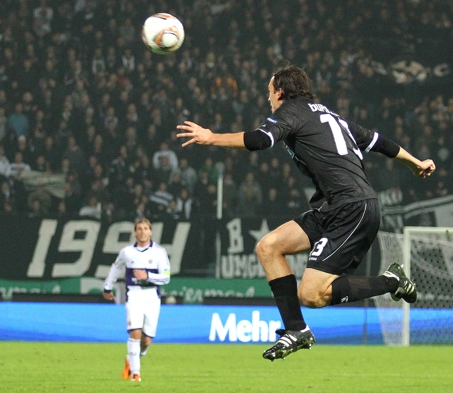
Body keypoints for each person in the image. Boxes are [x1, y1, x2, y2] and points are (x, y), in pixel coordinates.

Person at [177, 65, 436, 361]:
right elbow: (379, 142)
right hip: (332, 206)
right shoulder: (329, 116)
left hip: (352, 208)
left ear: (281, 92)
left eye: (269, 93)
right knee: (269, 247)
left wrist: (212, 138)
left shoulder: (290, 112)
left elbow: (261, 140)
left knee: (312, 295)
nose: (268, 100)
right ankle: (296, 330)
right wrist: (415, 162)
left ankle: (391, 281)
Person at [103, 218, 171, 381]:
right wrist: (107, 287)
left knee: (146, 341)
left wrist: (148, 276)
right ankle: (136, 373)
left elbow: (166, 277)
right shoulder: (127, 252)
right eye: (139, 229)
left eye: (146, 228)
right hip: (133, 295)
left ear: (151, 231)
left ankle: (131, 359)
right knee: (135, 333)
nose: (142, 232)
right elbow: (116, 267)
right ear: (135, 232)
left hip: (152, 296)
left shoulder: (159, 252)